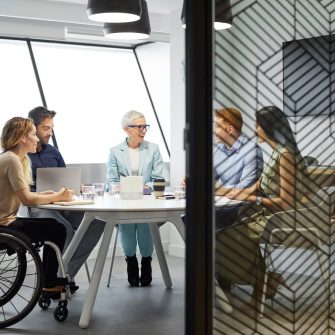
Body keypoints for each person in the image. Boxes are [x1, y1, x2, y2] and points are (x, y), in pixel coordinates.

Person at [216, 106, 307, 308]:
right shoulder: (276, 153)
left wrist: (253, 200)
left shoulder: (285, 156)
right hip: (266, 213)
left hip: (279, 217)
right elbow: (257, 187)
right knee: (223, 230)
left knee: (222, 237)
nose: (255, 129)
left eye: (257, 125)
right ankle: (265, 281)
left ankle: (263, 282)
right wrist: (231, 192)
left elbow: (286, 202)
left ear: (267, 127)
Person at [27, 106, 105, 291]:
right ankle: (53, 278)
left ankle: (65, 274)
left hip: (63, 202)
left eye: (52, 128)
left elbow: (66, 176)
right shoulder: (23, 152)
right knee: (63, 228)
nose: (50, 133)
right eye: (46, 128)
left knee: (97, 221)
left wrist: (79, 186)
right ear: (33, 127)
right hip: (39, 204)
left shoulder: (53, 151)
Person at [0, 117, 73, 295]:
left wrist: (43, 194)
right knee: (57, 229)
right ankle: (48, 281)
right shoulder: (12, 160)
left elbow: (23, 194)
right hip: (4, 225)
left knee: (53, 227)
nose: (37, 139)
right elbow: (26, 200)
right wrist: (57, 196)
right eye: (34, 134)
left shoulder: (14, 158)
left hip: (6, 221)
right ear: (22, 137)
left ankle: (49, 279)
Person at [106, 110, 164, 287]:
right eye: (139, 126)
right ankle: (131, 261)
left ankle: (146, 261)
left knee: (145, 224)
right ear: (126, 129)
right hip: (125, 200)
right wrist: (120, 188)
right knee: (127, 224)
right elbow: (110, 181)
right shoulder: (115, 151)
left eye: (145, 126)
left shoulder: (153, 149)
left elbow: (158, 179)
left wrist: (143, 188)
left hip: (146, 200)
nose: (143, 130)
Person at [213, 107, 263, 229]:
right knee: (189, 216)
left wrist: (216, 190)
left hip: (242, 208)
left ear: (229, 129)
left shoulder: (252, 150)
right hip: (222, 204)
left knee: (195, 219)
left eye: (217, 127)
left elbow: (244, 189)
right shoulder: (218, 149)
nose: (214, 131)